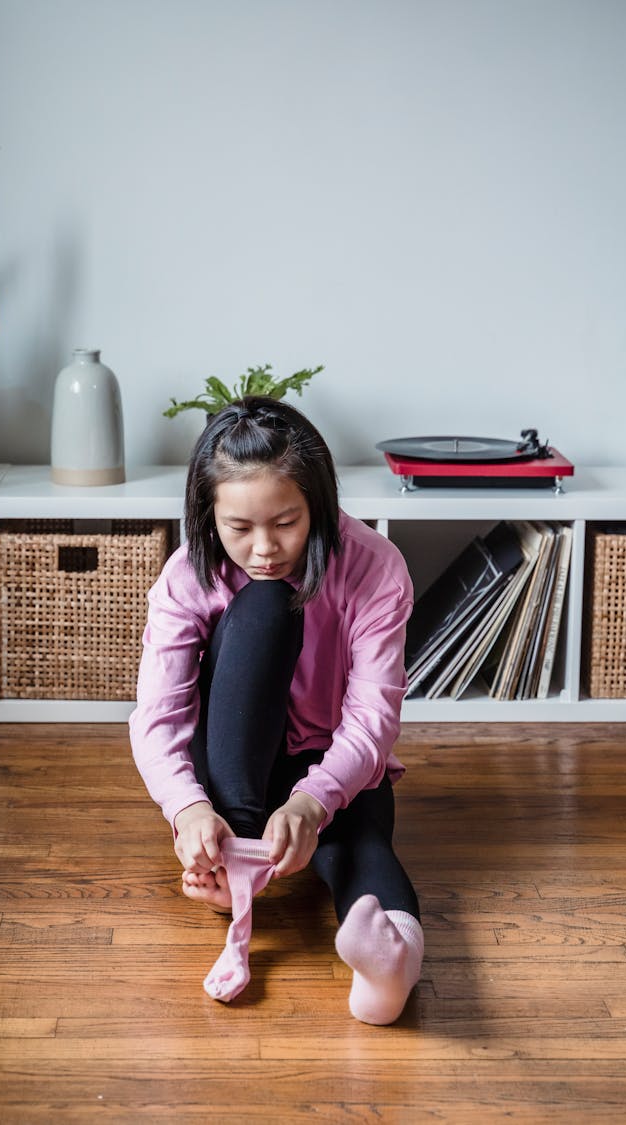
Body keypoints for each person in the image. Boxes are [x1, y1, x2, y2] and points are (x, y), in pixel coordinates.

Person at [129, 396, 423, 1024]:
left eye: (286, 521)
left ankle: (390, 967)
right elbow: (159, 715)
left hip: (326, 769)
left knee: (360, 841)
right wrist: (189, 811)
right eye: (239, 528)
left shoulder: (374, 567)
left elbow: (374, 715)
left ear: (318, 501)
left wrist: (314, 803)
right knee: (266, 604)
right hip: (230, 774)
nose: (264, 547)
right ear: (209, 516)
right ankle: (232, 854)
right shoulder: (188, 576)